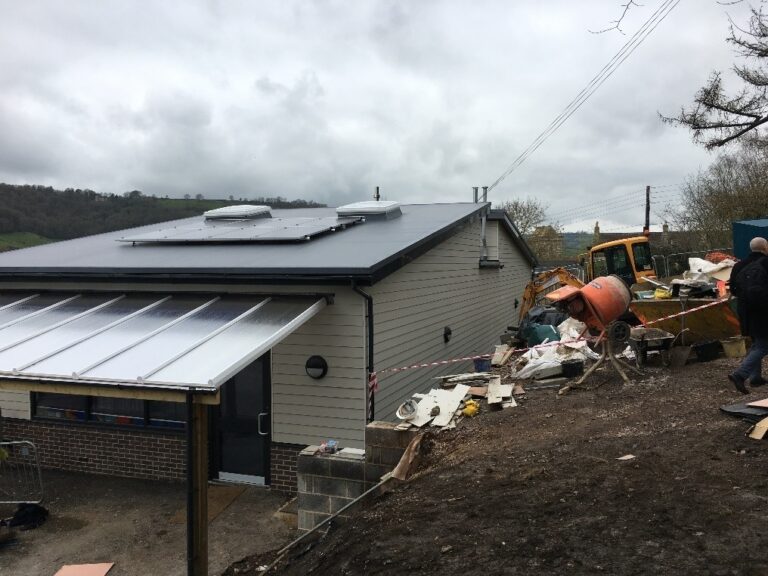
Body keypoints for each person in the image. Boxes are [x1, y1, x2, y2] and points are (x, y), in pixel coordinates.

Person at [728, 237, 768, 394]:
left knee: (757, 343)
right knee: (763, 344)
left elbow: (733, 289)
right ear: (764, 248)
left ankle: (756, 377)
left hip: (745, 311)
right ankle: (740, 374)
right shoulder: (765, 263)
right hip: (763, 312)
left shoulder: (739, 266)